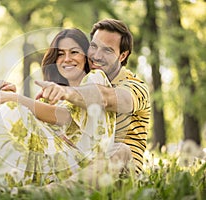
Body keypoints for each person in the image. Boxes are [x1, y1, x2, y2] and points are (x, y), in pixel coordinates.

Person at [0, 28, 116, 190]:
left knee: (10, 108)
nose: (66, 59)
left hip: (75, 164)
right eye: (60, 54)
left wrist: (15, 100)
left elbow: (63, 116)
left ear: (87, 57)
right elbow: (31, 125)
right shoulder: (53, 94)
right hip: (48, 156)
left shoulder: (95, 78)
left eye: (74, 52)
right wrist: (8, 97)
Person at [36, 19, 151, 175]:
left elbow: (106, 98)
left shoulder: (135, 86)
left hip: (121, 170)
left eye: (107, 50)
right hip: (80, 163)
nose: (97, 56)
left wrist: (67, 93)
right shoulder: (81, 83)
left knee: (119, 149)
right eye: (94, 47)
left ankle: (51, 193)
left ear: (122, 56)